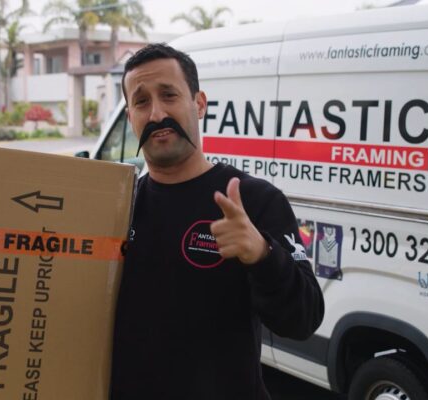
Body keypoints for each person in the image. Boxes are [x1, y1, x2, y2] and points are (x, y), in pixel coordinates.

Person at [110, 43, 324, 400]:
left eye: (169, 95)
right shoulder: (117, 208)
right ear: (131, 117)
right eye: (142, 101)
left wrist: (263, 254)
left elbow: (304, 319)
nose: (157, 113)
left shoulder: (254, 200)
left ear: (199, 103)